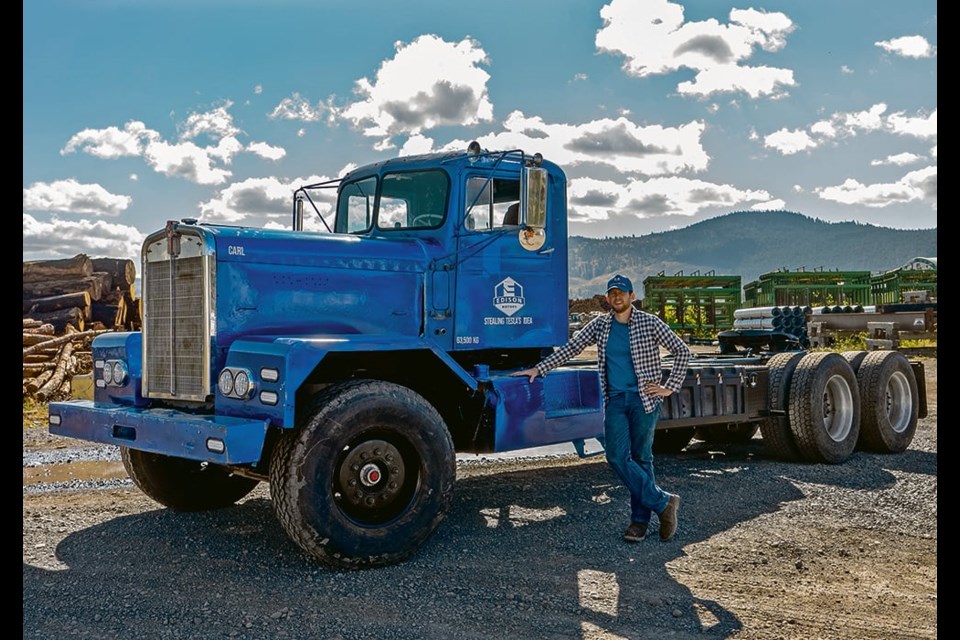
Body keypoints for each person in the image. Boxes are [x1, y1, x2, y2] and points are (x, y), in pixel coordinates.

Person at [512, 273, 692, 542]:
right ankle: (663, 503)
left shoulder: (650, 323)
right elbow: (571, 347)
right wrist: (540, 368)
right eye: (612, 293)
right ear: (608, 299)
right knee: (617, 456)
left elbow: (682, 351)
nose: (617, 296)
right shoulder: (600, 325)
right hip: (616, 400)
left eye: (622, 292)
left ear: (632, 296)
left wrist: (669, 386)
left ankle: (639, 522)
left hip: (645, 400)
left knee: (642, 458)